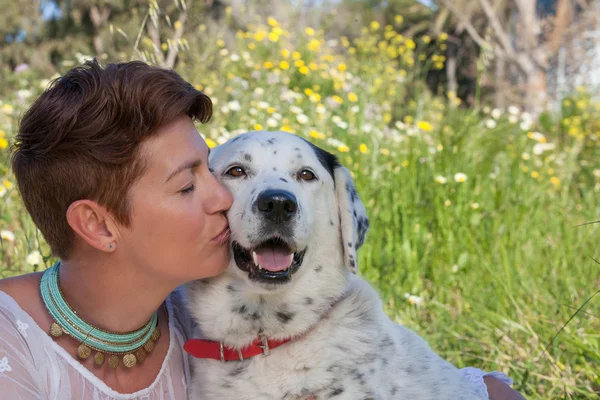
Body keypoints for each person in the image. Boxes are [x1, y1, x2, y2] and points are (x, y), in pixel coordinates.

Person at [0, 60, 525, 400]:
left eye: (213, 169)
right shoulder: (15, 351)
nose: (223, 199)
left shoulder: (206, 311)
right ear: (97, 224)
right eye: (190, 185)